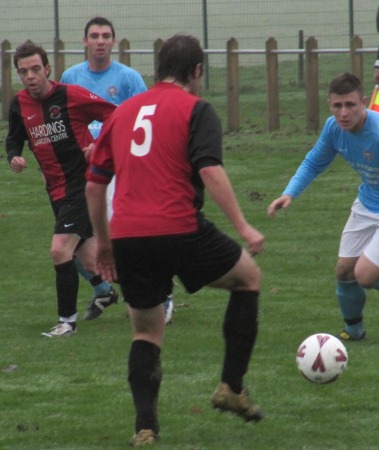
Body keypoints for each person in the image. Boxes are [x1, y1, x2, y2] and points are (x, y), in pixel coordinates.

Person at [86, 34, 264, 446]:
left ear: (159, 68)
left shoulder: (123, 112)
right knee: (248, 278)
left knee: (146, 333)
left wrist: (105, 243)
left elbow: (94, 186)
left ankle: (145, 427)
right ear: (196, 71)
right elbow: (210, 170)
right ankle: (232, 386)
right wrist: (243, 227)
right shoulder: (196, 109)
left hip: (128, 235)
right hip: (179, 227)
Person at [268, 72, 379, 342]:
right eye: (337, 106)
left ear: (363, 103)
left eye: (350, 105)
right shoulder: (333, 129)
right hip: (368, 202)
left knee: (365, 276)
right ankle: (354, 333)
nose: (344, 113)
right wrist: (289, 193)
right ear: (329, 105)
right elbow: (313, 162)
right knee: (344, 271)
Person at [59, 17, 177, 324]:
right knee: (69, 240)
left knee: (124, 239)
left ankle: (161, 292)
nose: (100, 41)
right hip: (79, 171)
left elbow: (145, 123)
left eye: (105, 36)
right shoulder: (70, 77)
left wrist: (108, 148)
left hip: (117, 169)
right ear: (84, 41)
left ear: (113, 41)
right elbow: (65, 122)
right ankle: (102, 290)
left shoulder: (128, 79)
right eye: (94, 36)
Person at [5, 40, 117, 337]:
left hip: (82, 184)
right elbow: (14, 137)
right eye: (24, 71)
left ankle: (67, 323)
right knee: (91, 258)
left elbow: (114, 114)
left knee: (60, 250)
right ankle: (153, 283)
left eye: (35, 69)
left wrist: (99, 145)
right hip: (55, 190)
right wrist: (13, 156)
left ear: (47, 69)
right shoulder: (19, 104)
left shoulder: (71, 96)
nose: (30, 76)